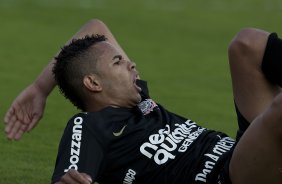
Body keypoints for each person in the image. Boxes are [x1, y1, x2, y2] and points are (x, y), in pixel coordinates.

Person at [5, 19, 282, 184]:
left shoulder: (139, 100)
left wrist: (40, 88)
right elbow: (72, 176)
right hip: (225, 177)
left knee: (247, 44)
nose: (131, 64)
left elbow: (95, 27)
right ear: (93, 83)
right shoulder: (90, 126)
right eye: (118, 62)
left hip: (244, 153)